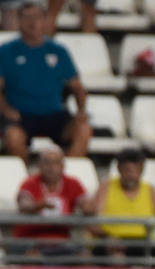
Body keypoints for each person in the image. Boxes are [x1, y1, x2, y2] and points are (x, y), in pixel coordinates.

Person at [0, 2, 92, 158]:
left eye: (36, 17)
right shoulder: (6, 51)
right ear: (19, 21)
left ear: (44, 20)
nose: (32, 22)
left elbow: (77, 87)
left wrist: (81, 111)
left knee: (83, 130)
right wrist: (6, 110)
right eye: (27, 17)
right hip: (21, 115)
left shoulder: (58, 51)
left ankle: (64, 176)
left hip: (54, 113)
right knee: (13, 137)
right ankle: (26, 177)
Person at [12, 144, 93, 260]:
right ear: (39, 165)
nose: (51, 167)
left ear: (63, 165)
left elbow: (87, 204)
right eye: (47, 162)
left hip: (62, 242)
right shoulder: (29, 183)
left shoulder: (73, 184)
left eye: (55, 163)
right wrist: (39, 205)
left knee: (85, 257)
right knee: (33, 258)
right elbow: (24, 204)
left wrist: (87, 206)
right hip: (31, 240)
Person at [92, 148, 155, 261]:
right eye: (127, 170)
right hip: (111, 241)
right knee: (117, 257)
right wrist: (107, 237)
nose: (131, 175)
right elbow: (93, 222)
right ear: (119, 169)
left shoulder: (151, 191)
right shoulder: (106, 188)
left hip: (143, 242)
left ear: (142, 169)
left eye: (136, 170)